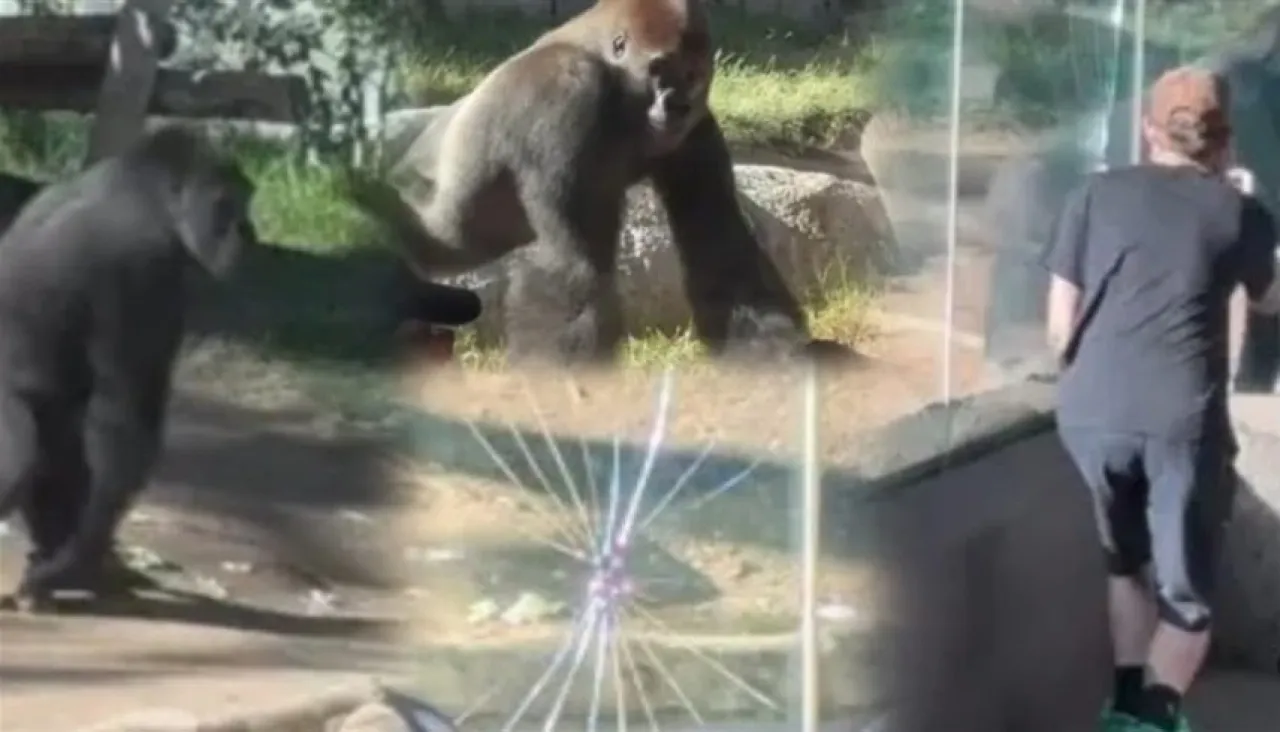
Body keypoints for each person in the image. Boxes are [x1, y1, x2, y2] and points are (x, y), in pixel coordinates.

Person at [1041, 66, 1280, 732]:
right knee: (1188, 600)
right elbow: (1271, 298)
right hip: (1179, 422)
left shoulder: (1091, 195)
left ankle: (1122, 699)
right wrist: (1248, 212)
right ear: (1225, 142)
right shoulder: (1239, 212)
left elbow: (1060, 327)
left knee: (1125, 565)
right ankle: (1150, 718)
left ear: (1148, 132)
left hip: (1088, 416)